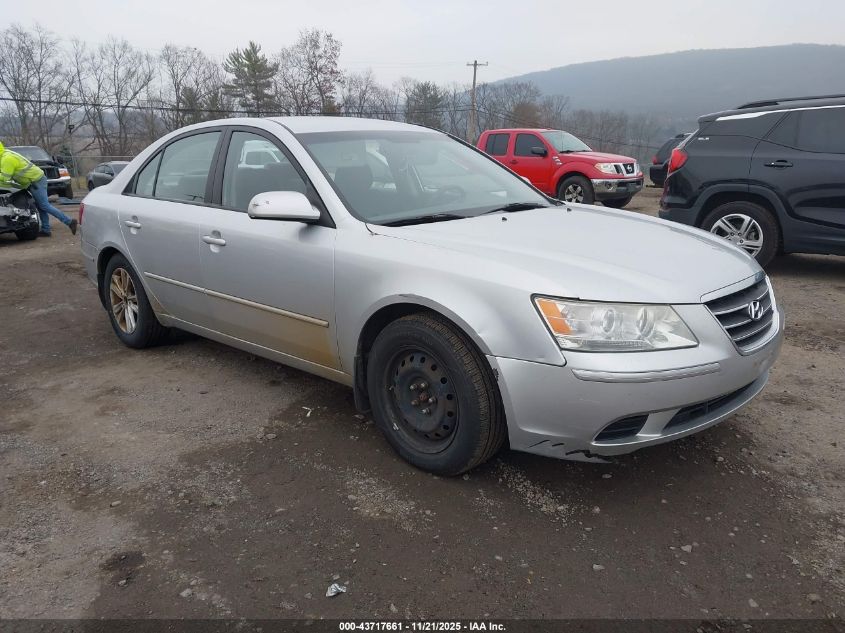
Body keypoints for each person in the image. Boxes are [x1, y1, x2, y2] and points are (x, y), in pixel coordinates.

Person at [0, 141, 77, 237]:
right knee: (40, 206)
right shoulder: (5, 155)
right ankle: (46, 229)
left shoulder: (7, 159)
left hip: (36, 182)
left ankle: (69, 221)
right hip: (33, 181)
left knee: (44, 205)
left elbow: (5, 178)